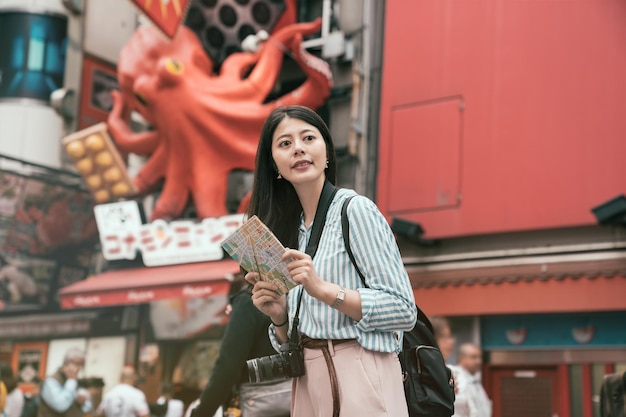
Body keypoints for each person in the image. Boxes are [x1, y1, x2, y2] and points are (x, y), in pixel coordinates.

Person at [245, 105, 417, 417]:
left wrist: (324, 290)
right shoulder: (290, 231)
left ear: (326, 153)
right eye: (285, 143)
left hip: (361, 369)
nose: (298, 148)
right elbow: (294, 337)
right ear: (275, 166)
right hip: (309, 381)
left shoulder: (356, 211)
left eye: (308, 138)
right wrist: (279, 316)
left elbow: (404, 309)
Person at [190, 276, 291, 417]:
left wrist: (202, 412)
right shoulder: (293, 294)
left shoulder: (247, 302)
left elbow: (228, 365)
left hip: (258, 403)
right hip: (299, 396)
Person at [38, 348, 91, 417]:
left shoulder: (75, 381)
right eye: (77, 364)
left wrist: (80, 402)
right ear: (66, 362)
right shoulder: (51, 381)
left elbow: (87, 408)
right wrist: (71, 381)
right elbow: (61, 405)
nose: (79, 368)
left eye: (82, 364)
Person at [452, 343, 492, 417]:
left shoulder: (474, 380)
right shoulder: (456, 377)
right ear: (461, 358)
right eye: (473, 357)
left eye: (480, 357)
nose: (478, 361)